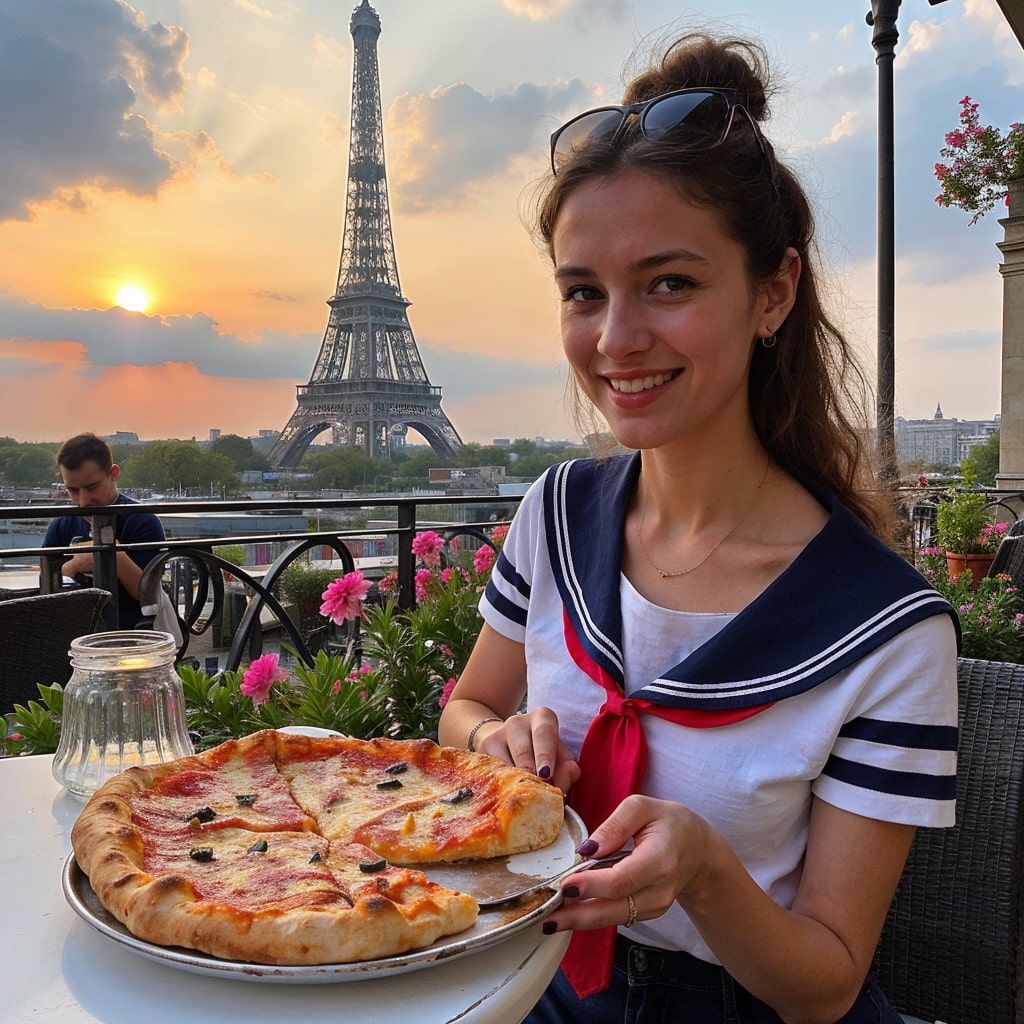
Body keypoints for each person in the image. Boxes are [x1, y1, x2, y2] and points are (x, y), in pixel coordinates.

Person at [438, 32, 958, 1024]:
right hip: (535, 972)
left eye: (668, 283)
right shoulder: (553, 514)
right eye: (583, 292)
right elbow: (464, 708)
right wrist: (494, 741)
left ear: (774, 293)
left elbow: (826, 981)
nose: (615, 338)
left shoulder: (888, 631)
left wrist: (711, 877)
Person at [43, 433, 167, 630]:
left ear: (114, 474)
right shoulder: (60, 524)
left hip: (131, 633)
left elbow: (148, 594)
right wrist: (76, 565)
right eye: (73, 490)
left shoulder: (142, 520)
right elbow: (46, 587)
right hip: (74, 635)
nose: (83, 501)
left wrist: (110, 557)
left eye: (92, 487)